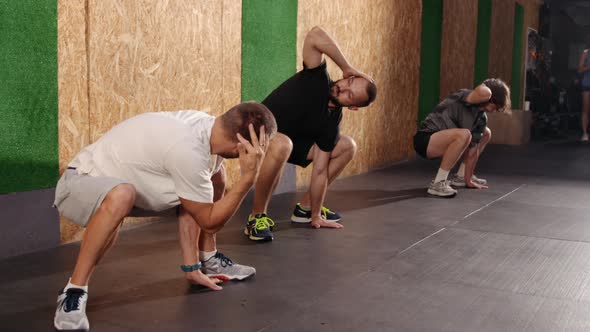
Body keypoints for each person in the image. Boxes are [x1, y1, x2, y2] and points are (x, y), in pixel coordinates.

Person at [53, 102, 276, 331]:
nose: (259, 154)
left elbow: (194, 199)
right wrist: (249, 177)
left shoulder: (209, 127)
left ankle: (207, 260)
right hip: (79, 184)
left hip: (129, 183)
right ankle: (74, 290)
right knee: (122, 195)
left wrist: (192, 268)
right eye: (258, 148)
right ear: (242, 143)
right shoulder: (188, 150)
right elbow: (209, 220)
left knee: (215, 176)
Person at [243, 26, 377, 241]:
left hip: (289, 142)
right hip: (259, 132)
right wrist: (347, 66)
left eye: (350, 95)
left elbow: (320, 170)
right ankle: (256, 217)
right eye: (349, 82)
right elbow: (315, 34)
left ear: (352, 107)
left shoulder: (332, 121)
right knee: (282, 144)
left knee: (346, 146)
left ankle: (305, 210)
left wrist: (316, 216)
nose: (343, 88)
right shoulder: (316, 79)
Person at [413, 79, 511, 197]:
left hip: (441, 143)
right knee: (464, 134)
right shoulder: (466, 96)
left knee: (486, 133)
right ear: (490, 98)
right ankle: (438, 184)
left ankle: (460, 176)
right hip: (425, 140)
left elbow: (473, 151)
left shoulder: (481, 118)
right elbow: (483, 92)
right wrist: (491, 88)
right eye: (496, 105)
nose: (496, 110)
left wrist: (468, 180)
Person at [578, 47, 590, 141]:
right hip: (587, 84)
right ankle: (585, 133)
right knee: (586, 108)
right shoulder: (586, 52)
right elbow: (579, 70)